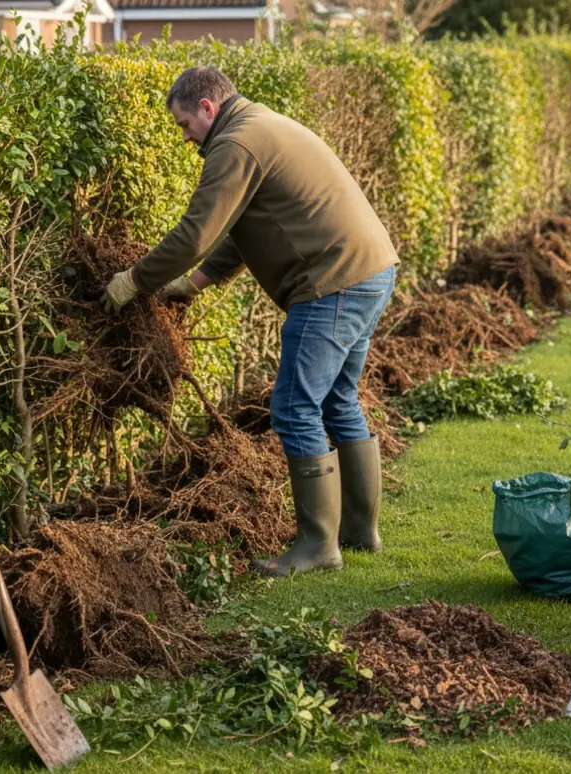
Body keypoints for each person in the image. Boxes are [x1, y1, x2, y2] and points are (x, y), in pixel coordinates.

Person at [103, 66, 398, 578]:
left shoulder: (235, 143)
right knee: (337, 399)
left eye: (183, 125)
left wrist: (135, 280)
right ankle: (357, 531)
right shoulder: (260, 125)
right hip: (370, 269)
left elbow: (196, 235)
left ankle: (316, 546)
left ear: (207, 109)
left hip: (332, 281)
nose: (184, 137)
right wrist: (190, 285)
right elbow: (244, 229)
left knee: (294, 406)